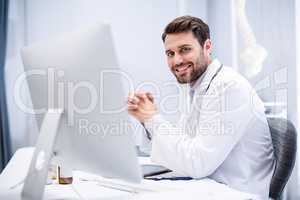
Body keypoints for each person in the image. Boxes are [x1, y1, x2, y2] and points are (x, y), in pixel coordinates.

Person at [127, 15, 275, 199]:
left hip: (237, 191)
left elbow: (197, 163)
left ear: (207, 46)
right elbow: (181, 151)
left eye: (185, 50)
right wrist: (147, 120)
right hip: (207, 185)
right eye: (170, 53)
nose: (177, 61)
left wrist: (152, 118)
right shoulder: (197, 88)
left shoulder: (229, 87)